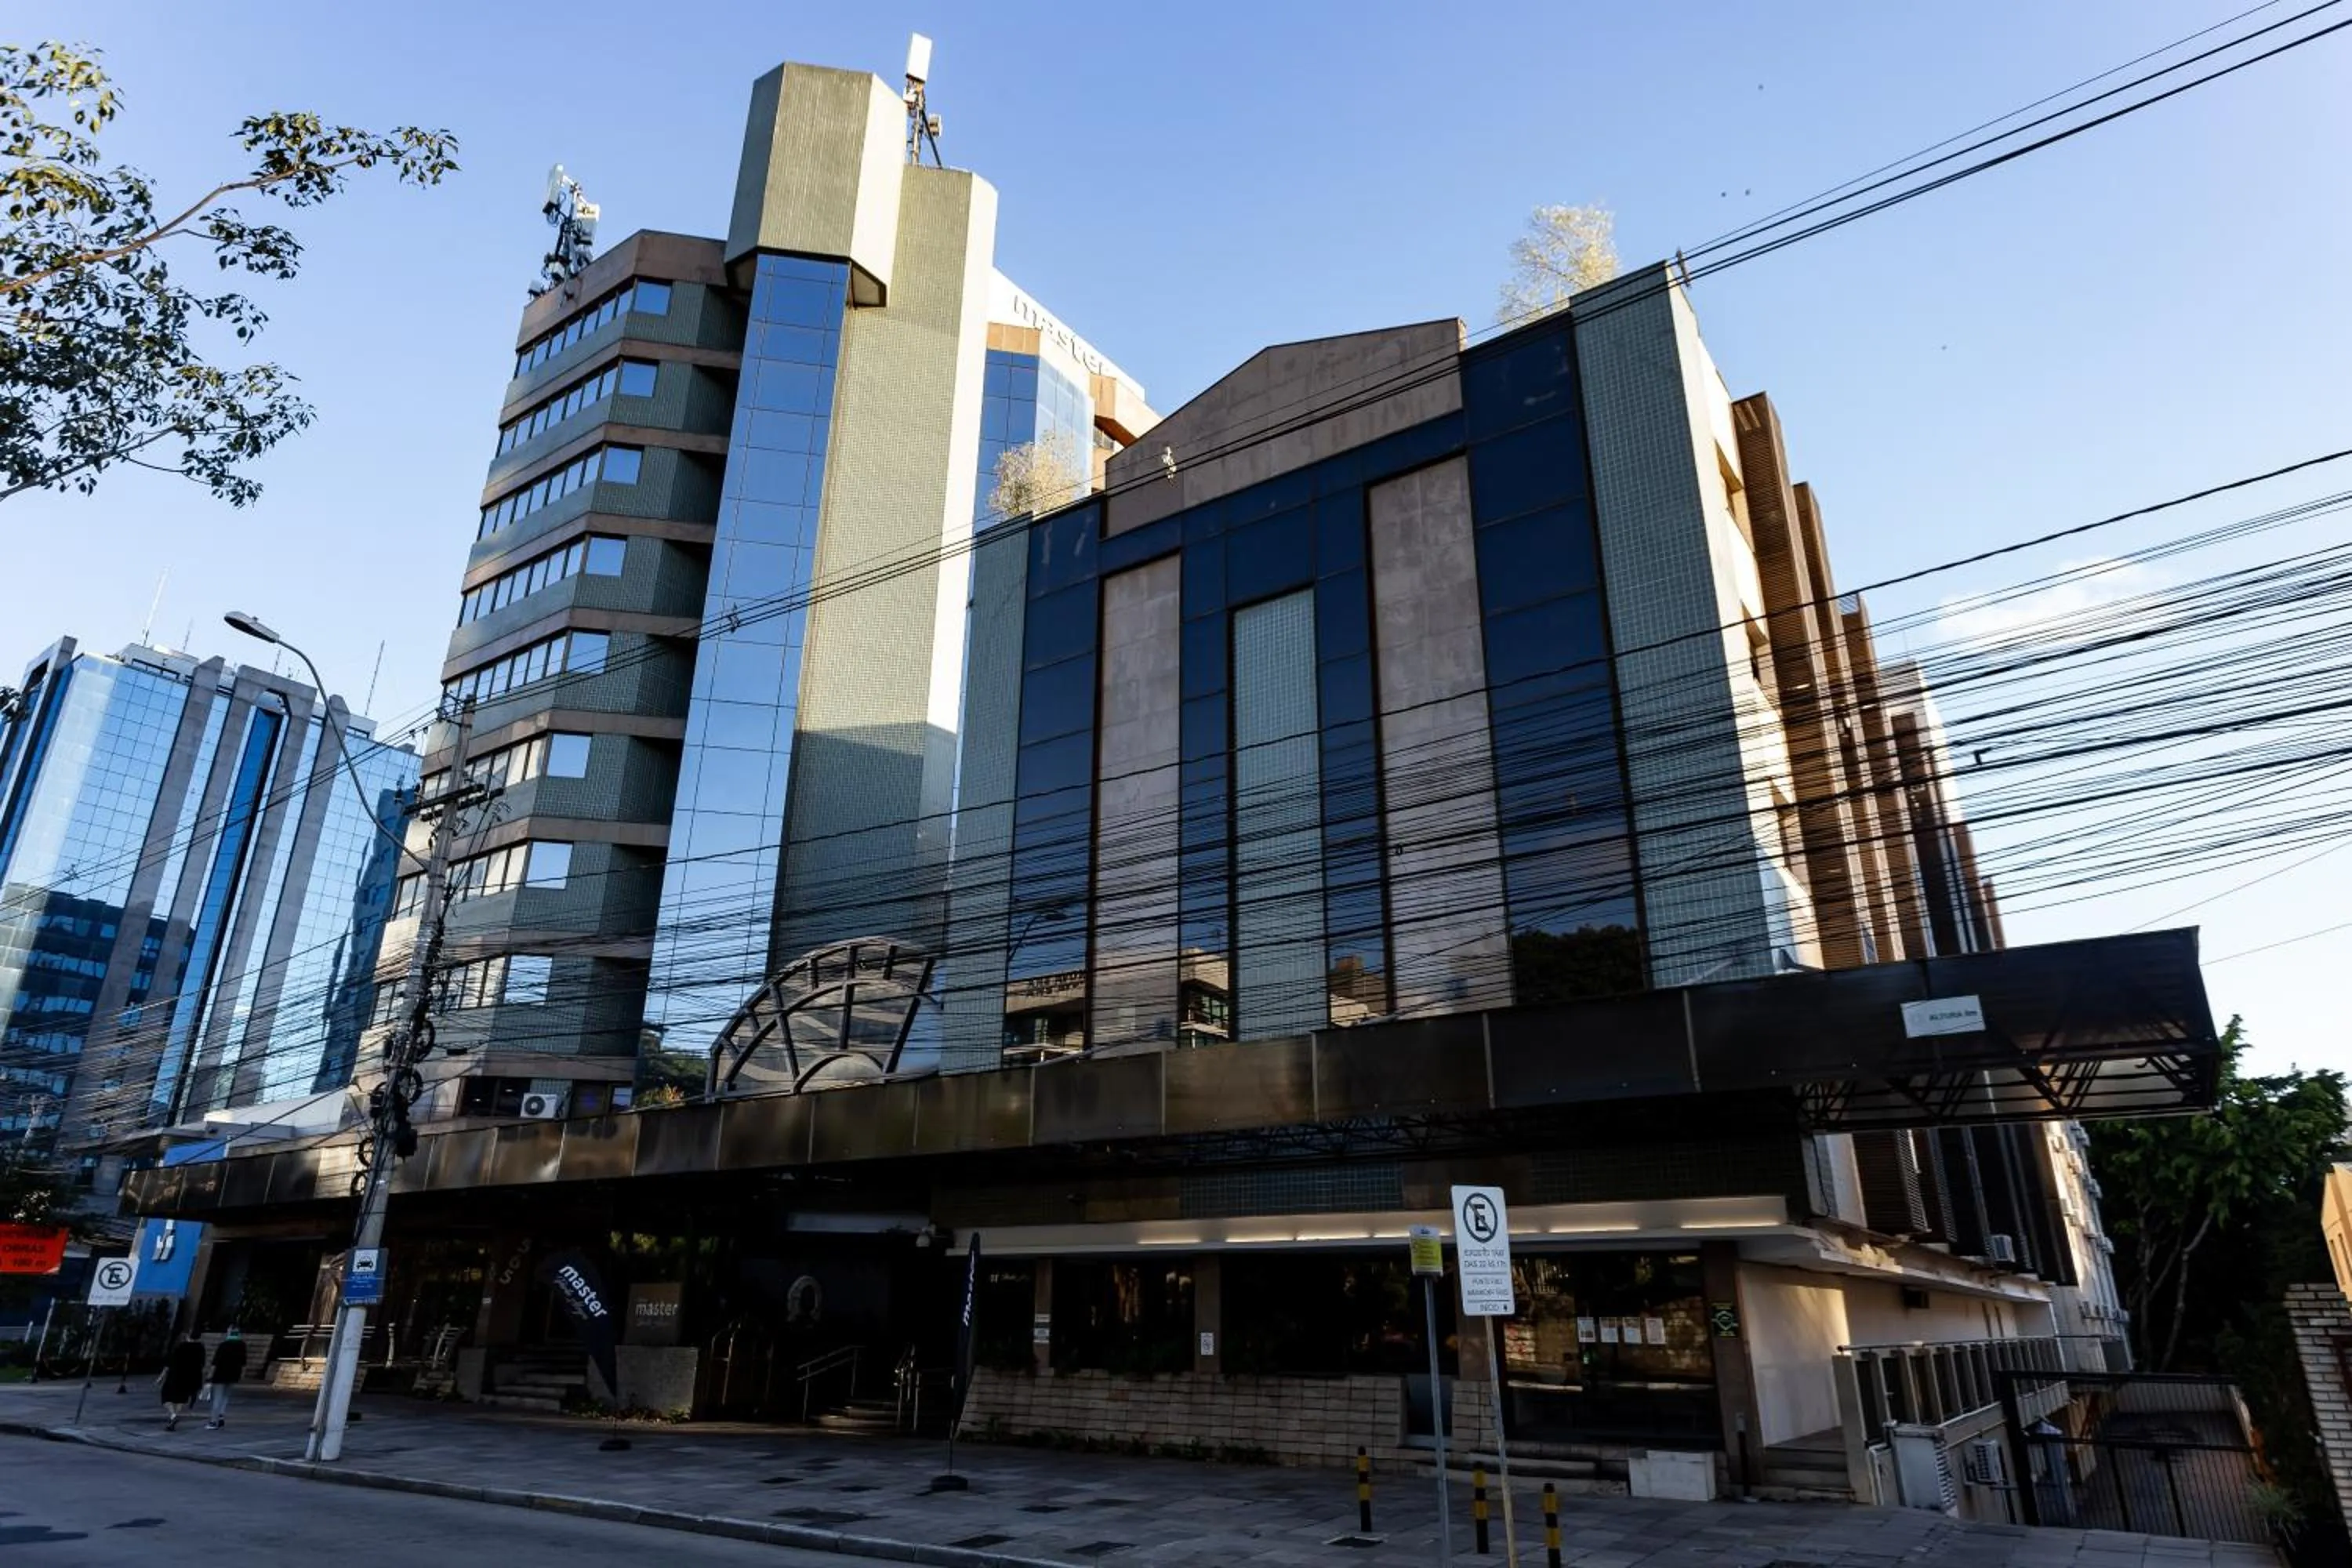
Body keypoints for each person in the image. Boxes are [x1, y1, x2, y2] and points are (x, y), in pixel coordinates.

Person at [157, 1332, 206, 1430]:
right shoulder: (199, 1349)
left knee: (166, 1397)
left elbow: (169, 1364)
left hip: (175, 1375)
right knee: (180, 1399)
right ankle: (175, 1416)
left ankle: (173, 1415)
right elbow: (201, 1364)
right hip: (188, 1377)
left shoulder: (179, 1348)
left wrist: (161, 1377)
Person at [204, 1327, 247, 1429]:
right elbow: (244, 1362)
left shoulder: (223, 1345)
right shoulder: (242, 1345)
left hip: (220, 1374)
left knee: (217, 1398)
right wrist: (242, 1374)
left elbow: (215, 1362)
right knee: (225, 1396)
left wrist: (210, 1375)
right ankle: (221, 1416)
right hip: (234, 1374)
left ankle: (213, 1421)